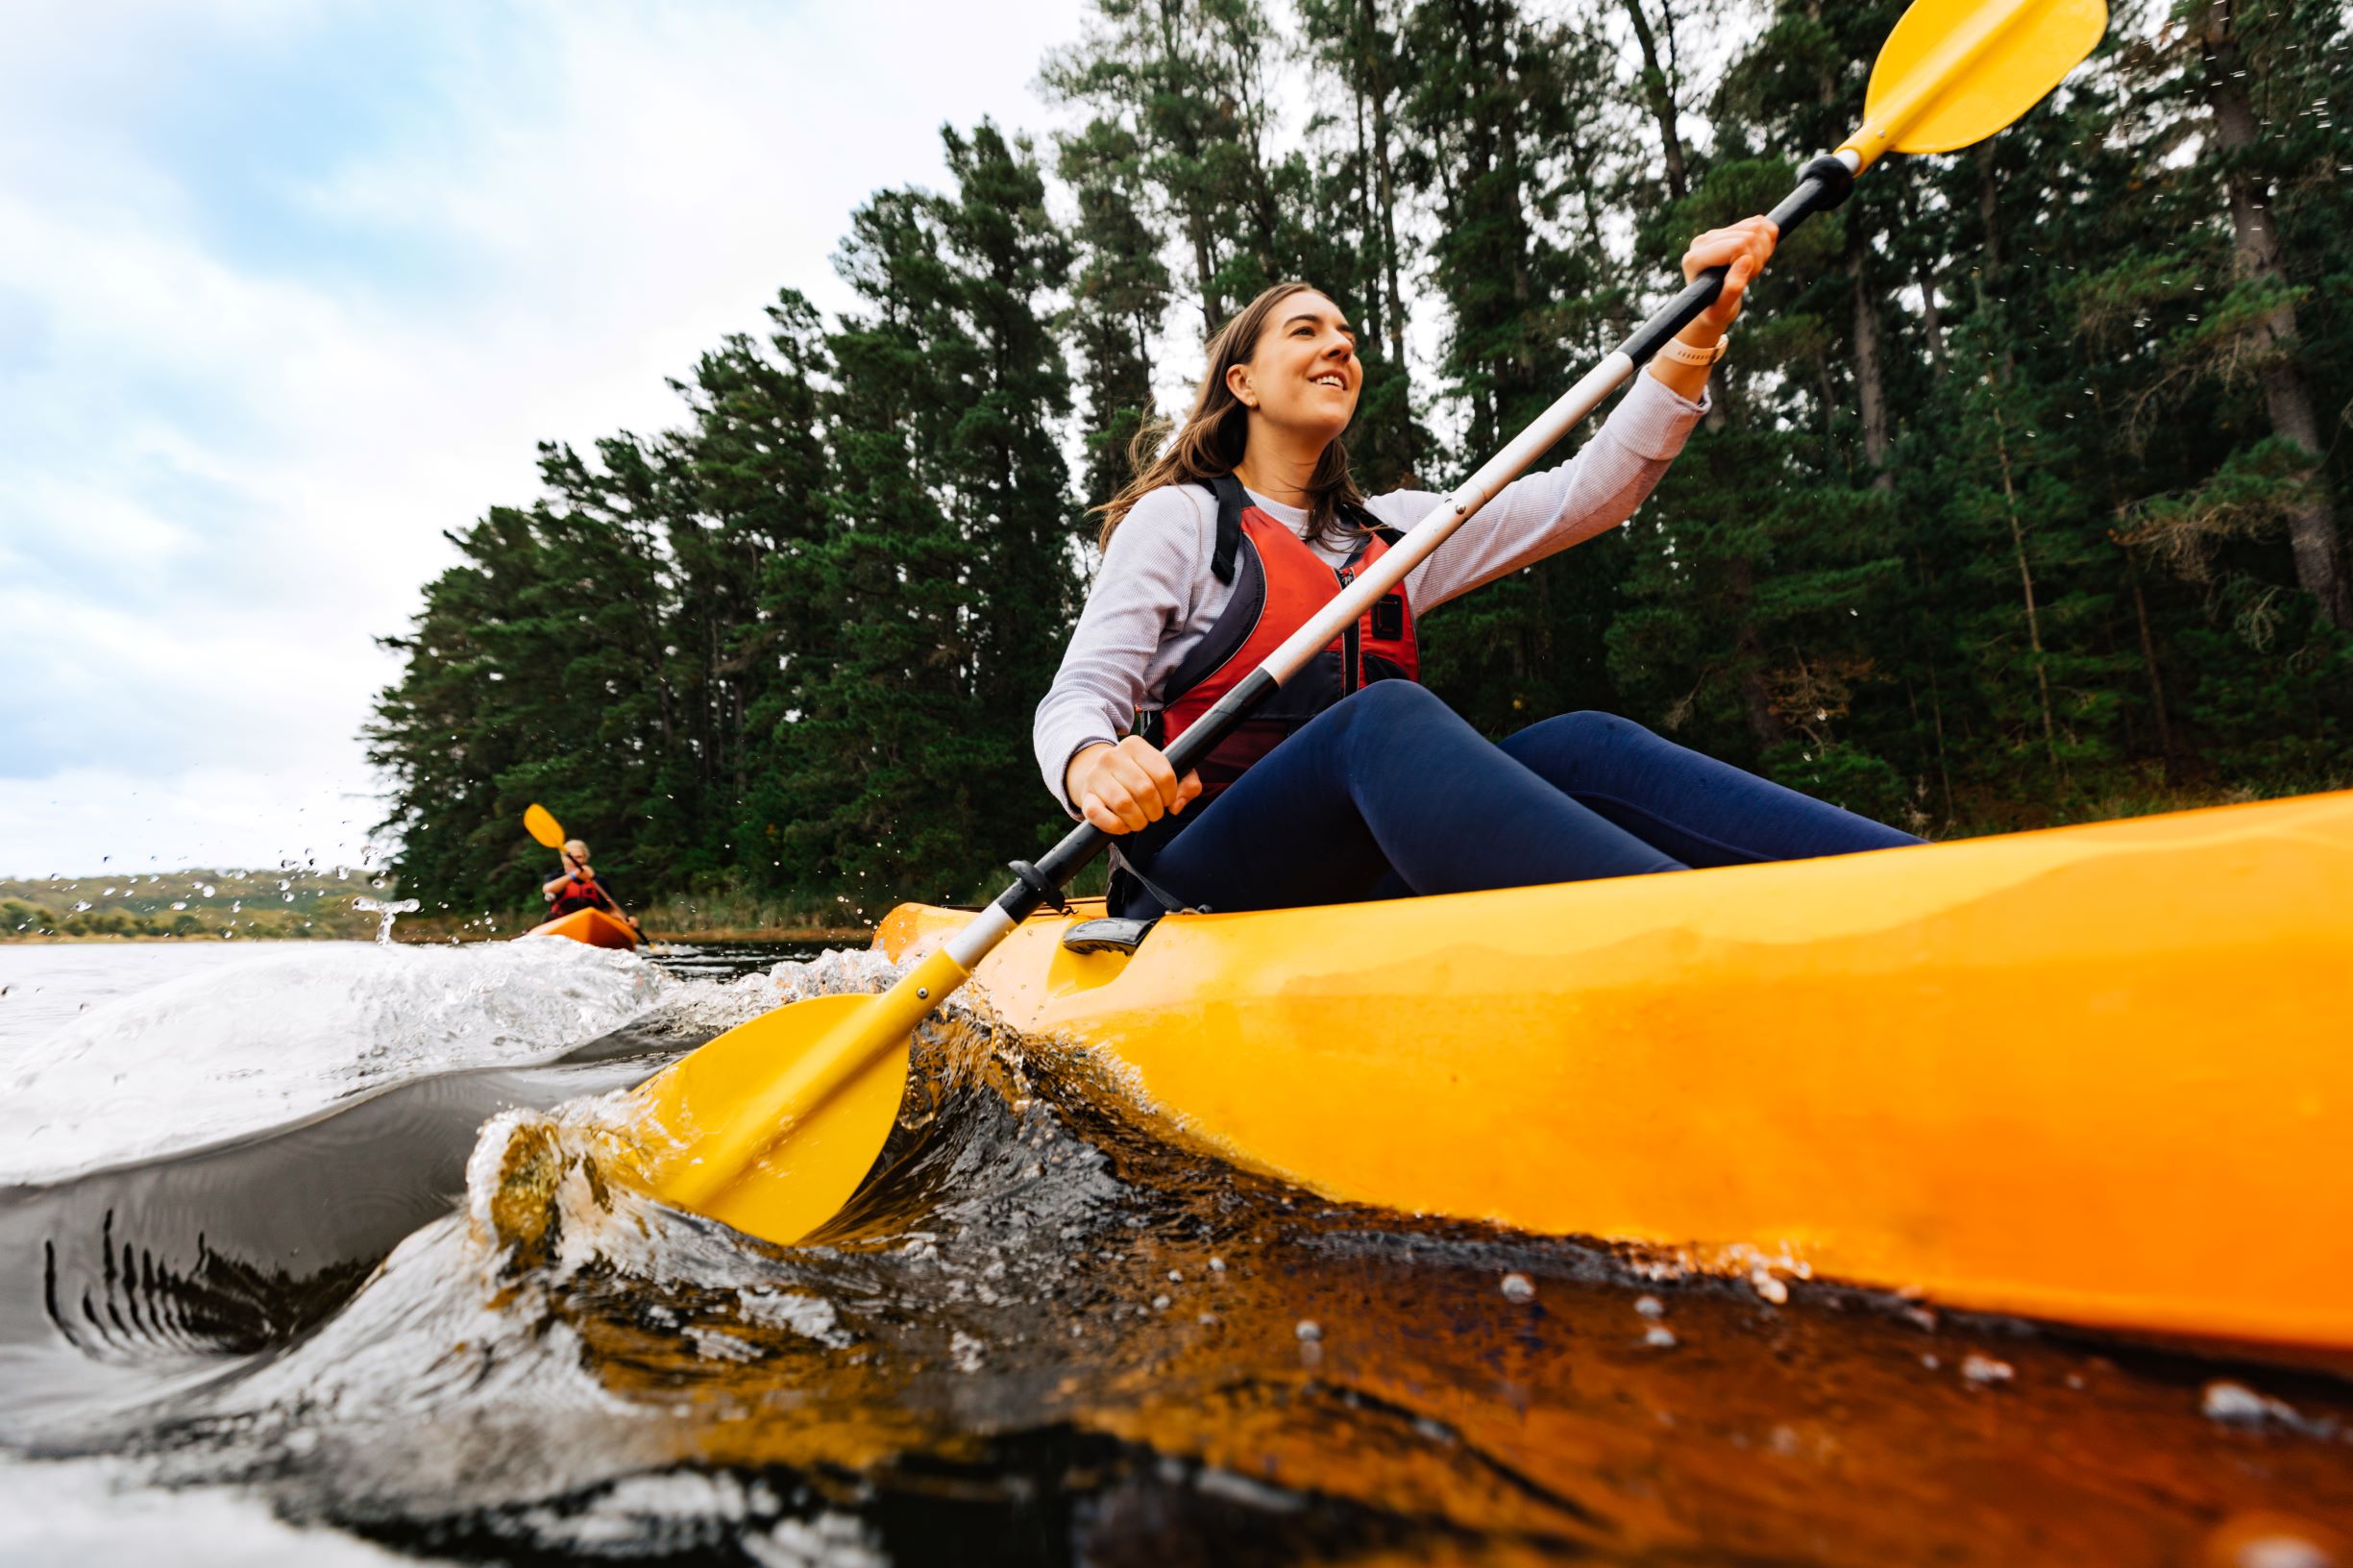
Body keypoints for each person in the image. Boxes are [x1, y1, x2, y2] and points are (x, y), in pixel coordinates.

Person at [1034, 216, 1923, 920]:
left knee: (1580, 741)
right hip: (1205, 879)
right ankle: (1709, 943)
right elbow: (1078, 697)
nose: (1340, 346)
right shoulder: (1181, 519)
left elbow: (1591, 494)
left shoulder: (1395, 533)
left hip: (1354, 868)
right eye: (1306, 331)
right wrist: (1091, 763)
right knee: (1379, 723)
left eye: (1347, 334)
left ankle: (1918, 887)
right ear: (1243, 385)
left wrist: (1695, 331)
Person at [542, 840, 622, 919]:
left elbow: (610, 909)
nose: (573, 861)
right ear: (562, 858)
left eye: (579, 857)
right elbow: (548, 889)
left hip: (592, 923)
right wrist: (574, 874)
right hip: (562, 924)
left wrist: (624, 919)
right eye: (570, 857)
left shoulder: (598, 881)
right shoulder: (554, 877)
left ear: (585, 858)